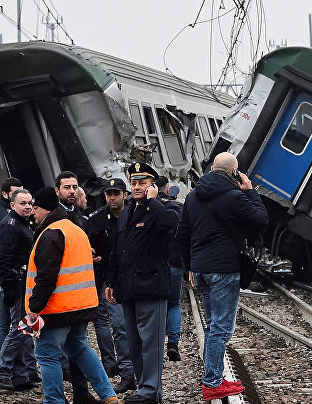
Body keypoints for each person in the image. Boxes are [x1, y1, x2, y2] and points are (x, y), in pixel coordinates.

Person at [177, 152, 268, 401]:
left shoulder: (193, 196)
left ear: (211, 169)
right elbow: (261, 220)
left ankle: (215, 375)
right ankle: (213, 382)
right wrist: (250, 190)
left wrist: (190, 268)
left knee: (212, 325)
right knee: (220, 328)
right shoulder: (235, 196)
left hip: (201, 269)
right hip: (224, 269)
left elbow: (182, 235)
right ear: (234, 172)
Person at [26, 186, 118, 404]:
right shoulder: (75, 228)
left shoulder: (51, 234)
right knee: (79, 348)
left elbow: (46, 276)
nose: (33, 212)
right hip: (82, 305)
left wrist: (34, 307)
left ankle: (54, 401)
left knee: (47, 354)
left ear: (45, 209)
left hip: (58, 308)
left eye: (35, 208)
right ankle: (108, 395)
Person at [105, 162, 178, 404]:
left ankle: (151, 392)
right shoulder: (126, 213)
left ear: (153, 186)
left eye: (142, 183)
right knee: (134, 342)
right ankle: (143, 386)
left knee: (151, 343)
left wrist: (153, 201)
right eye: (134, 183)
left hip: (151, 286)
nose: (137, 187)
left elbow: (168, 226)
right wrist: (111, 281)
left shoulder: (164, 208)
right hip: (128, 288)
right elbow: (118, 250)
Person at [86, 178, 136, 393]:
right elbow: (85, 241)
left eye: (116, 193)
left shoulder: (135, 214)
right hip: (110, 278)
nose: (112, 198)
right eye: (109, 194)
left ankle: (139, 369)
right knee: (119, 325)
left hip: (135, 277)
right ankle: (126, 371)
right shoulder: (97, 220)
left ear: (125, 195)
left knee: (137, 325)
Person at [0, 189, 39, 391]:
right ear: (12, 205)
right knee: (21, 328)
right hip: (17, 285)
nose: (27, 206)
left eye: (30, 203)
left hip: (23, 284)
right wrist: (8, 286)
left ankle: (20, 376)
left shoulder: (22, 224)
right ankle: (1, 372)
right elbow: (3, 259)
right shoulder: (11, 226)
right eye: (23, 203)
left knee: (23, 329)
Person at [0, 177, 22, 382]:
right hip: (6, 276)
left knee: (4, 324)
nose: (19, 196)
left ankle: (0, 368)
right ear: (6, 194)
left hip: (0, 274)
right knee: (6, 325)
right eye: (15, 192)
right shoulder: (6, 216)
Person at [154, 177, 183, 363]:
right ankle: (173, 343)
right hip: (175, 263)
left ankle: (155, 345)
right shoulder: (177, 208)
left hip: (155, 264)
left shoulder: (146, 209)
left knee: (156, 305)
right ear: (167, 189)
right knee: (174, 304)